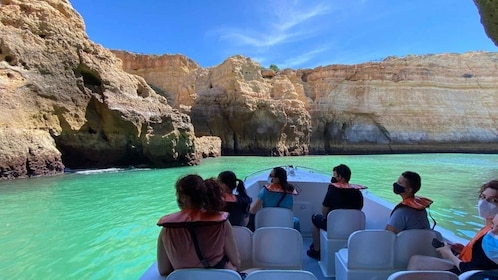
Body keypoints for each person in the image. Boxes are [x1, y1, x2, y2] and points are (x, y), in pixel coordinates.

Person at [156, 174, 241, 276]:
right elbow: (237, 262)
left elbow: (163, 270)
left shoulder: (167, 229)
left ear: (182, 198)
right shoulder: (221, 223)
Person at [408, 180, 498, 274]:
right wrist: (462, 250)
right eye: (483, 197)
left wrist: (449, 254)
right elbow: (480, 256)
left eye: (493, 200)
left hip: (463, 272)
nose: (484, 202)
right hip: (463, 264)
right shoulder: (487, 228)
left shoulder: (492, 235)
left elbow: (472, 268)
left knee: (416, 261)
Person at [306, 164, 365, 260]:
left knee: (315, 218)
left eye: (334, 175)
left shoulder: (332, 191)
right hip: (353, 226)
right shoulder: (357, 193)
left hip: (334, 226)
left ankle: (316, 250)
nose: (332, 177)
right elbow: (359, 208)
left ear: (340, 177)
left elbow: (324, 211)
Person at [248, 166, 300, 231]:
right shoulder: (289, 192)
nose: (269, 177)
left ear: (277, 179)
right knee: (296, 221)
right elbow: (290, 212)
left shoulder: (265, 191)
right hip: (284, 224)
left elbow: (253, 211)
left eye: (271, 175)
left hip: (267, 223)